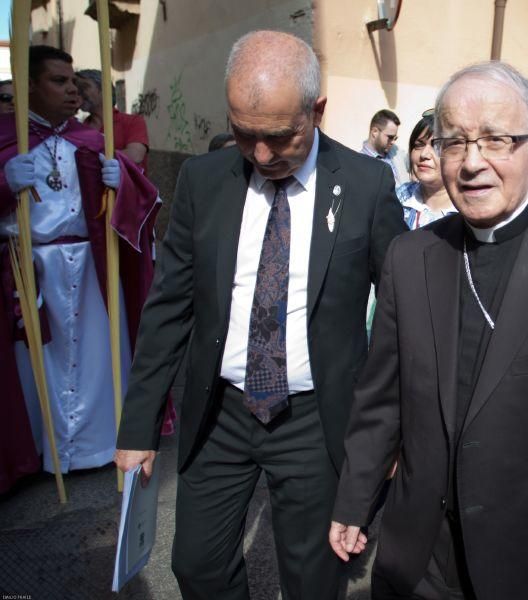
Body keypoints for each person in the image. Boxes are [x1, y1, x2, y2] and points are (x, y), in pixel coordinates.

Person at [330, 61, 528, 600]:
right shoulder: (410, 258)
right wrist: (355, 498)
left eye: (496, 140)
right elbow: (380, 398)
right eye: (454, 142)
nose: (471, 163)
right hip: (419, 553)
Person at [114, 31, 406, 600]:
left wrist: (388, 431)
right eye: (245, 135)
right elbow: (169, 307)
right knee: (196, 565)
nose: (262, 155)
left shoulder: (367, 186)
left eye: (279, 137)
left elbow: (397, 315)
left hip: (314, 417)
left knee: (313, 578)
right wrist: (138, 425)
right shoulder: (204, 182)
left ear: (317, 110)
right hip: (219, 412)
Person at [0, 46, 159, 481]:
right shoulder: (6, 139)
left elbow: (142, 204)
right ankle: (38, 450)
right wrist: (3, 182)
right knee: (34, 366)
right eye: (58, 81)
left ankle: (96, 446)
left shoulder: (91, 140)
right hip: (29, 271)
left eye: (73, 81)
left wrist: (122, 180)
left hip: (91, 272)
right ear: (29, 85)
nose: (72, 90)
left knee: (96, 359)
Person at [75, 69, 149, 173]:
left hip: (126, 188)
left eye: (84, 87)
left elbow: (135, 156)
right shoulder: (80, 129)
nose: (78, 93)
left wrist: (90, 159)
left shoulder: (132, 121)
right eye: (76, 89)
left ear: (103, 89)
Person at [395, 112, 456, 229]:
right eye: (419, 145)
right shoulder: (398, 199)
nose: (424, 154)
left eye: (437, 146)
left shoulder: (468, 208)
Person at [361, 108, 409, 185]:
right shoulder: (361, 163)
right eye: (390, 137)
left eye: (395, 138)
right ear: (375, 132)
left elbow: (413, 163)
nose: (393, 142)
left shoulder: (396, 150)